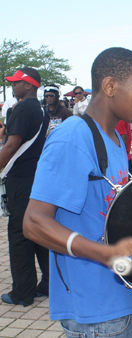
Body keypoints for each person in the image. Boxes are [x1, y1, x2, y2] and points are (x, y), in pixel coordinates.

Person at [22, 47, 132, 338]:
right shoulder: (73, 135)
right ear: (110, 86)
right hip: (98, 316)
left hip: (130, 299)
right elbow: (33, 222)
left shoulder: (115, 140)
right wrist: (106, 254)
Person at [0, 68, 50, 307]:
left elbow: (11, 146)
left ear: (29, 85)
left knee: (19, 234)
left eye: (16, 82)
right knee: (38, 231)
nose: (12, 86)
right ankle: (48, 284)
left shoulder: (21, 108)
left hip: (20, 178)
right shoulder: (41, 109)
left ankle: (22, 292)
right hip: (37, 177)